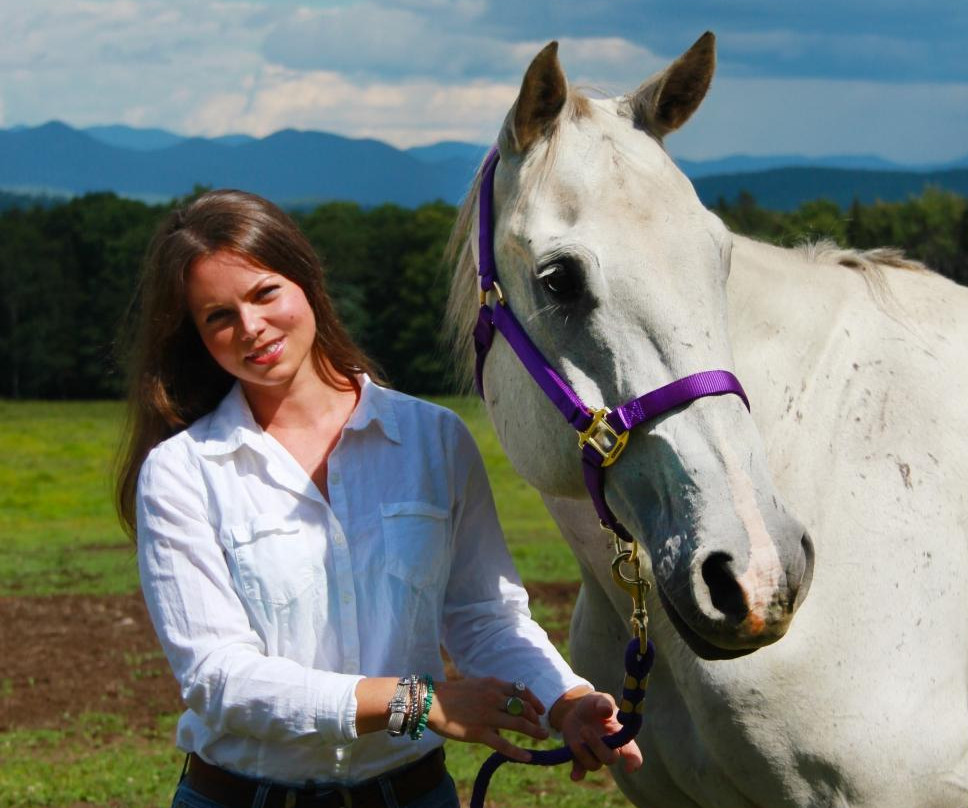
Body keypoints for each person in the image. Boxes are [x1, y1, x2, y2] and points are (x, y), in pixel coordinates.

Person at [115, 188, 642, 808]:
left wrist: (568, 702)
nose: (250, 328)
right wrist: (417, 704)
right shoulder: (180, 472)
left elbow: (484, 617)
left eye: (264, 293)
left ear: (306, 282)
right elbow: (220, 680)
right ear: (198, 337)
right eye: (218, 317)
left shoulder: (434, 440)